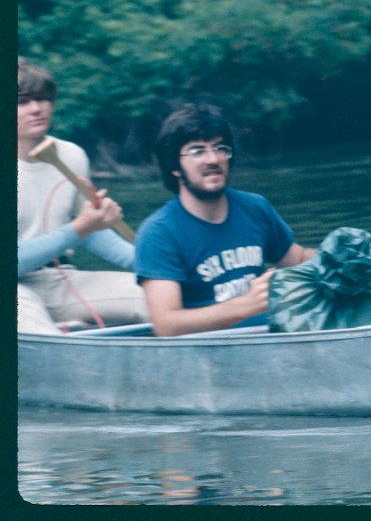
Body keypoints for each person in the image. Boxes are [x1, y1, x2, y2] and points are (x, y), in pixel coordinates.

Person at [135, 104, 315, 336]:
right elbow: (167, 325)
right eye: (197, 151)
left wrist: (340, 260)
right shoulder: (158, 232)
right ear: (174, 167)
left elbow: (297, 259)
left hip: (273, 341)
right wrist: (245, 305)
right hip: (207, 357)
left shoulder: (255, 207)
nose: (213, 159)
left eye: (220, 148)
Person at [17, 57, 148, 333]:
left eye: (43, 99)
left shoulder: (71, 156)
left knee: (160, 297)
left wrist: (152, 263)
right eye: (22, 101)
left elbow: (90, 232)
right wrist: (79, 228)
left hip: (58, 279)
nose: (37, 109)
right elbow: (79, 229)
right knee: (39, 333)